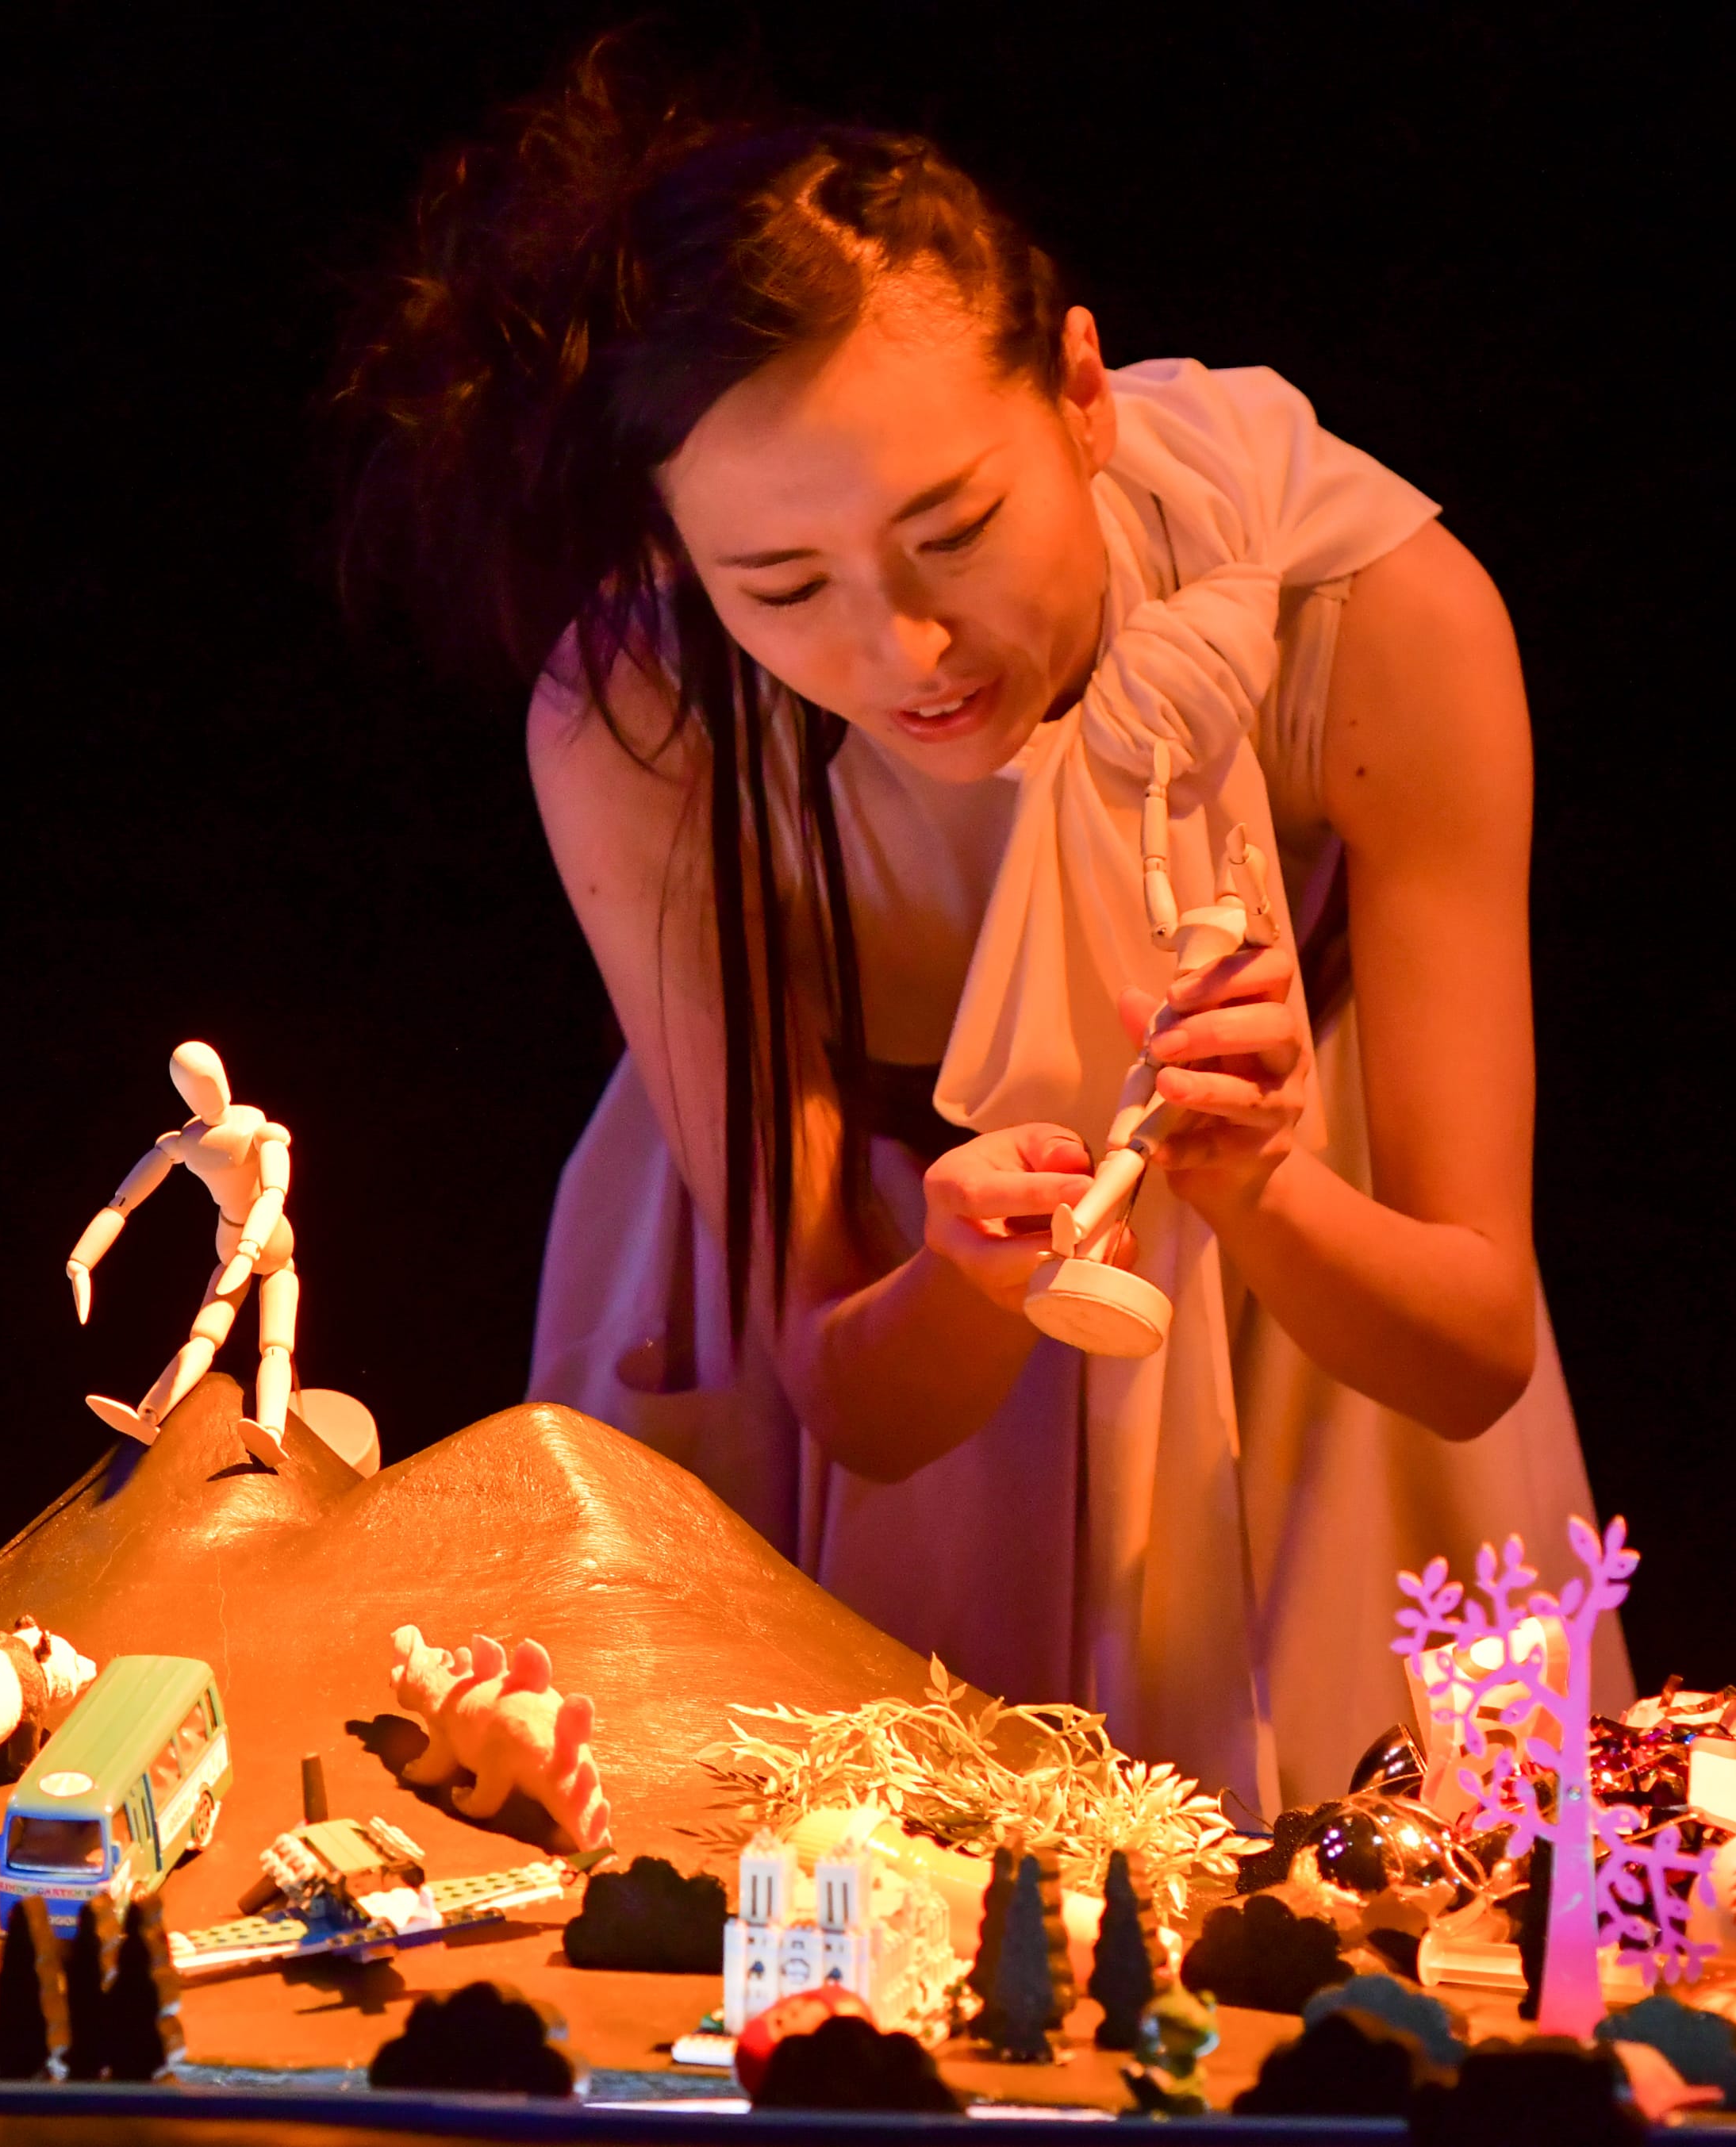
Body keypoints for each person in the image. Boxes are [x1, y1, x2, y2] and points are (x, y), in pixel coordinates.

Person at [336, 43, 1625, 1811]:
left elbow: (1470, 1347)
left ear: (1082, 393)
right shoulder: (646, 722)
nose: (904, 652)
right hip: (896, 1327)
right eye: (783, 586)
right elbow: (848, 1395)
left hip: (1316, 1350)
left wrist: (1262, 1189)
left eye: (953, 531)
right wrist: (958, 1277)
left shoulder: (1372, 623)